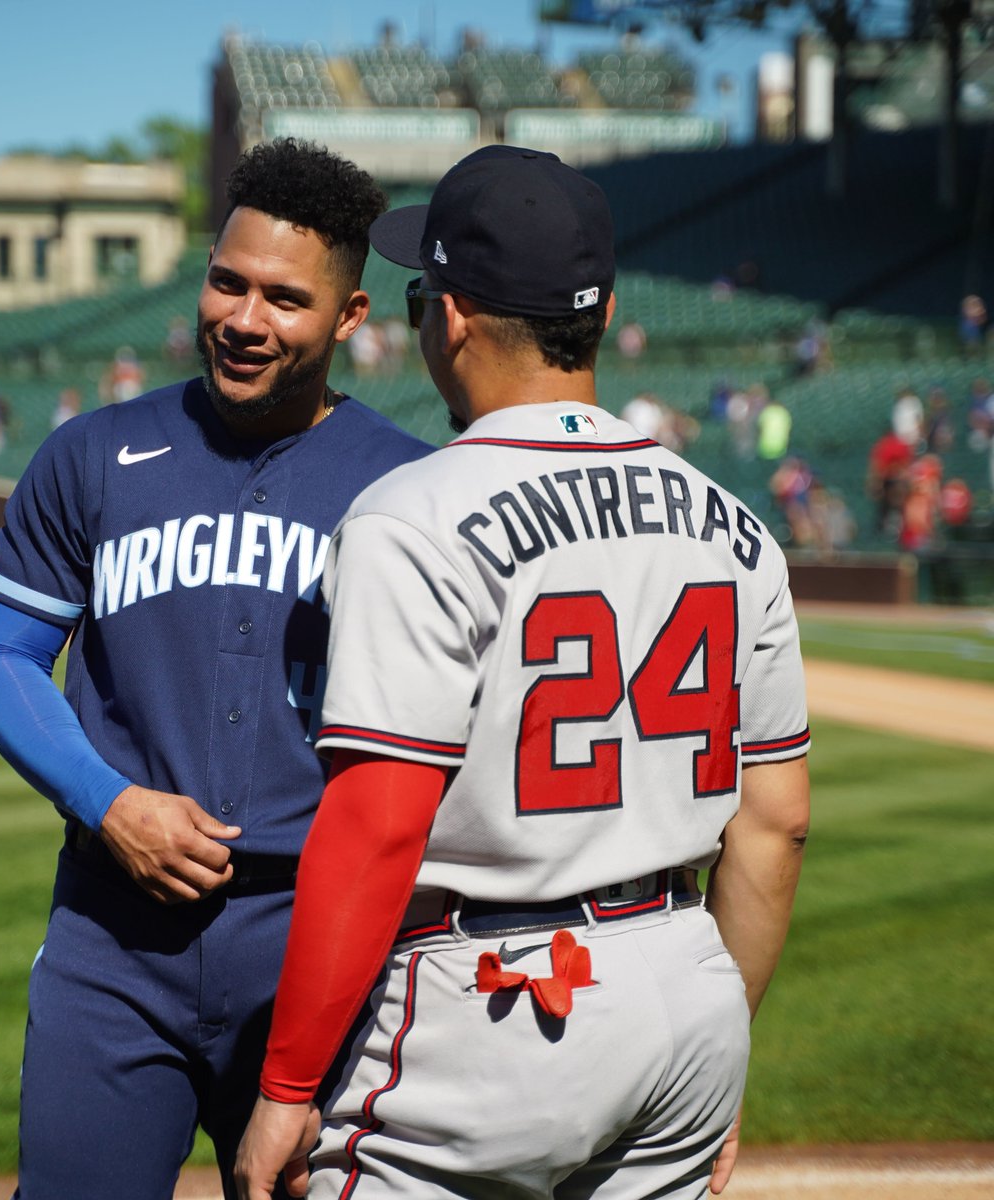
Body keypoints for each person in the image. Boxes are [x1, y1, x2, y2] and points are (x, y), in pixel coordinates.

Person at [236, 145, 811, 1200]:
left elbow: (378, 826)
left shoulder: (415, 515)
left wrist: (284, 1090)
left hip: (491, 1005)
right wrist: (716, 1037)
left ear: (449, 315)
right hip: (685, 984)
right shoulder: (737, 526)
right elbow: (776, 824)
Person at [0, 138, 433, 1200]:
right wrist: (110, 802)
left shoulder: (410, 488)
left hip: (320, 938)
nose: (244, 320)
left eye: (284, 299)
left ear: (350, 320)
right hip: (111, 936)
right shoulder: (91, 454)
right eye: (227, 282)